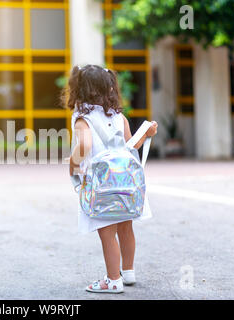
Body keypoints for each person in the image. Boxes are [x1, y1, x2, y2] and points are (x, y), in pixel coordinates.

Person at [64, 65, 158, 294]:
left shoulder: (82, 119)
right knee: (126, 228)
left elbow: (84, 146)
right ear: (110, 89)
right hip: (126, 185)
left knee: (108, 234)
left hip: (102, 188)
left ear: (80, 90)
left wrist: (73, 165)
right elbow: (130, 146)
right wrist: (146, 134)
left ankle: (113, 280)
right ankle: (128, 272)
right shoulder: (118, 117)